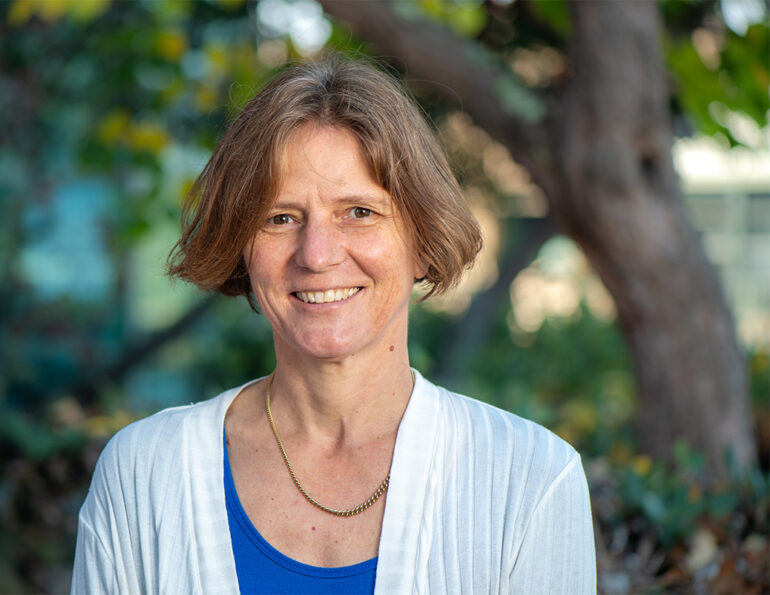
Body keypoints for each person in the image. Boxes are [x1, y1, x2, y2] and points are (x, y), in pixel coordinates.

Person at [71, 55, 596, 594]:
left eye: (359, 212)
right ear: (243, 251)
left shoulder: (530, 480)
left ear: (422, 241)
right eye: (280, 218)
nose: (317, 255)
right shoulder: (141, 474)